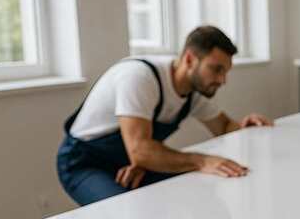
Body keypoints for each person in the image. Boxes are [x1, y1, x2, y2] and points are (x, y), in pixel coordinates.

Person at [57, 25, 274, 205]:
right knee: (125, 210)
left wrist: (247, 126)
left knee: (197, 188)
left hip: (131, 159)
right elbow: (141, 151)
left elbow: (224, 127)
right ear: (190, 59)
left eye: (225, 72)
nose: (222, 80)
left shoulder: (194, 92)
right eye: (216, 69)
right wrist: (201, 161)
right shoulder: (140, 77)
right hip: (84, 163)